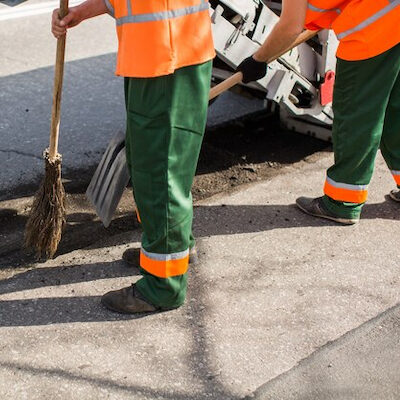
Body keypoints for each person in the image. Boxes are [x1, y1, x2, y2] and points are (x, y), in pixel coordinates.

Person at [52, 0, 215, 313]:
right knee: (156, 167)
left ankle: (162, 285)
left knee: (159, 173)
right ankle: (175, 249)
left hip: (166, 56)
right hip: (162, 50)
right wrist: (81, 13)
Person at [237, 0, 400, 225]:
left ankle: (342, 202)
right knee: (395, 111)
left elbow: (290, 27)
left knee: (357, 117)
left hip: (372, 27)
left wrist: (258, 60)